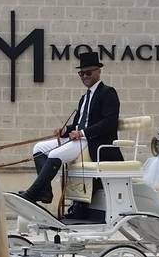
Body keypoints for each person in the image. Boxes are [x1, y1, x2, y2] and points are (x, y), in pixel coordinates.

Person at [17, 52, 122, 204]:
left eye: (88, 72)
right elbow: (78, 123)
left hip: (93, 142)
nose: (84, 76)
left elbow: (109, 122)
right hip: (79, 140)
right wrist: (65, 130)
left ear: (98, 71)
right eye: (81, 73)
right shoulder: (84, 98)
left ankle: (33, 193)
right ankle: (45, 192)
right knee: (38, 148)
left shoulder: (107, 93)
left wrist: (82, 133)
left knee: (54, 154)